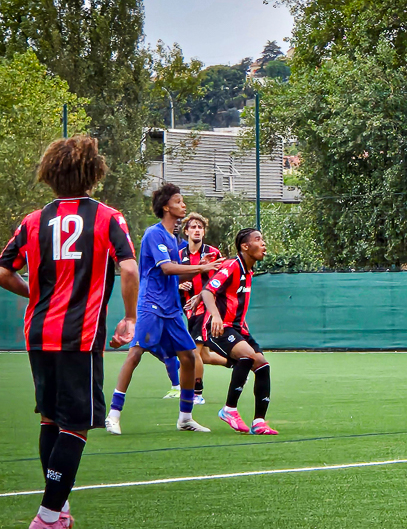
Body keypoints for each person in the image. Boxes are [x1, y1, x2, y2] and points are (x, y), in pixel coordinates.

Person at [0, 136, 138, 529]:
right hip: (79, 335)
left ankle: (57, 508)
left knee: (51, 418)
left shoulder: (32, 221)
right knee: (76, 425)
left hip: (38, 332)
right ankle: (47, 517)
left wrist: (39, 295)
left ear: (51, 173)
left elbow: (4, 271)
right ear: (93, 173)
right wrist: (129, 318)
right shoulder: (108, 217)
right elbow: (129, 270)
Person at [105, 184, 218, 435]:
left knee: (189, 357)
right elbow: (166, 268)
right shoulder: (153, 234)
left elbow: (170, 275)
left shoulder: (173, 239)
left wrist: (193, 277)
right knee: (135, 354)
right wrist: (200, 268)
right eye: (179, 201)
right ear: (167, 206)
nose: (184, 205)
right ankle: (113, 414)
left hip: (172, 308)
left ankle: (185, 418)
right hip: (151, 305)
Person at [200, 228, 278, 435]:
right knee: (247, 356)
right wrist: (215, 316)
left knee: (262, 365)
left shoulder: (248, 271)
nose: (263, 244)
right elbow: (208, 290)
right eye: (258, 240)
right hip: (219, 328)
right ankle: (229, 409)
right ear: (245, 246)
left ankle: (259, 422)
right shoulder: (232, 266)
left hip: (238, 328)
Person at [176, 212, 227, 404]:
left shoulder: (213, 253)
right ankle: (239, 364)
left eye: (200, 227)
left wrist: (202, 294)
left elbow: (223, 279)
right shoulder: (179, 255)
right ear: (186, 231)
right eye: (193, 227)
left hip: (205, 308)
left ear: (204, 232)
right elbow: (169, 278)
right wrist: (178, 285)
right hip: (187, 309)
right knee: (204, 356)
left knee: (193, 351)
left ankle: (196, 393)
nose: (197, 230)